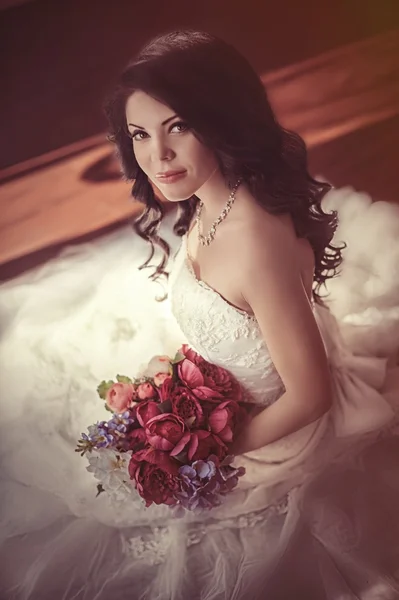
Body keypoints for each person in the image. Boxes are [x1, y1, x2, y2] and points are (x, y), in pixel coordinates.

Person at [1, 29, 399, 600]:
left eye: (178, 128)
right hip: (226, 393)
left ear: (222, 121)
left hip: (279, 428)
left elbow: (311, 397)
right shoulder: (214, 197)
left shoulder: (254, 242)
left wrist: (212, 452)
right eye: (140, 134)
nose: (156, 157)